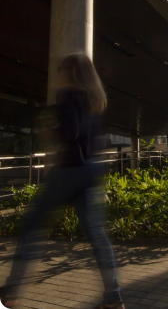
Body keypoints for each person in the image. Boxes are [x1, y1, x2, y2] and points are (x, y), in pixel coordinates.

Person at [0, 54, 125, 309]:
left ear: (71, 72)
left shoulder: (68, 94)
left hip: (69, 169)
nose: (58, 75)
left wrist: (49, 127)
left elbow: (70, 132)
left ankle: (10, 292)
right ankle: (113, 298)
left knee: (31, 226)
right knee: (97, 235)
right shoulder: (95, 99)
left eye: (61, 70)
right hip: (91, 171)